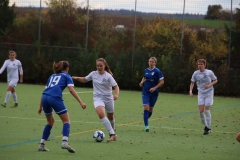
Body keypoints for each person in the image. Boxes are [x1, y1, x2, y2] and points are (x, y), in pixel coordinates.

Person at [38, 61, 86, 153]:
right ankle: (64, 142)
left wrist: (40, 107)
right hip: (54, 98)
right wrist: (81, 102)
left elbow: (45, 91)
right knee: (66, 121)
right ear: (67, 69)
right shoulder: (67, 76)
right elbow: (71, 90)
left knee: (50, 122)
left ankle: (42, 144)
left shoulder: (52, 76)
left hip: (45, 98)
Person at [72, 58, 119, 142]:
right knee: (101, 114)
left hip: (108, 98)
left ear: (104, 66)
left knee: (111, 117)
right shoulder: (93, 74)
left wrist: (116, 94)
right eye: (97, 66)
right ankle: (112, 134)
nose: (99, 67)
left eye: (101, 66)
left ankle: (113, 133)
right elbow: (85, 79)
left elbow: (116, 86)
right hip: (98, 98)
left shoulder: (108, 76)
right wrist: (76, 78)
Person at [189, 59, 218, 135]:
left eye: (201, 64)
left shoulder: (209, 72)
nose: (200, 66)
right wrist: (190, 91)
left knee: (207, 110)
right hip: (201, 93)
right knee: (201, 111)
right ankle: (206, 127)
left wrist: (209, 85)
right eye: (199, 64)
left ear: (204, 65)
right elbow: (192, 83)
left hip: (209, 92)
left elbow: (215, 80)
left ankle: (208, 127)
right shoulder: (196, 73)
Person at [139, 57, 164, 132]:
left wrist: (155, 88)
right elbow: (144, 77)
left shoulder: (157, 71)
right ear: (148, 62)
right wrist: (141, 82)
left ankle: (146, 118)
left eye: (152, 62)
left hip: (154, 93)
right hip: (145, 92)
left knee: (150, 109)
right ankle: (146, 126)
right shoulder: (146, 70)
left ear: (155, 63)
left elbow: (162, 82)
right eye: (150, 61)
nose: (151, 63)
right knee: (146, 107)